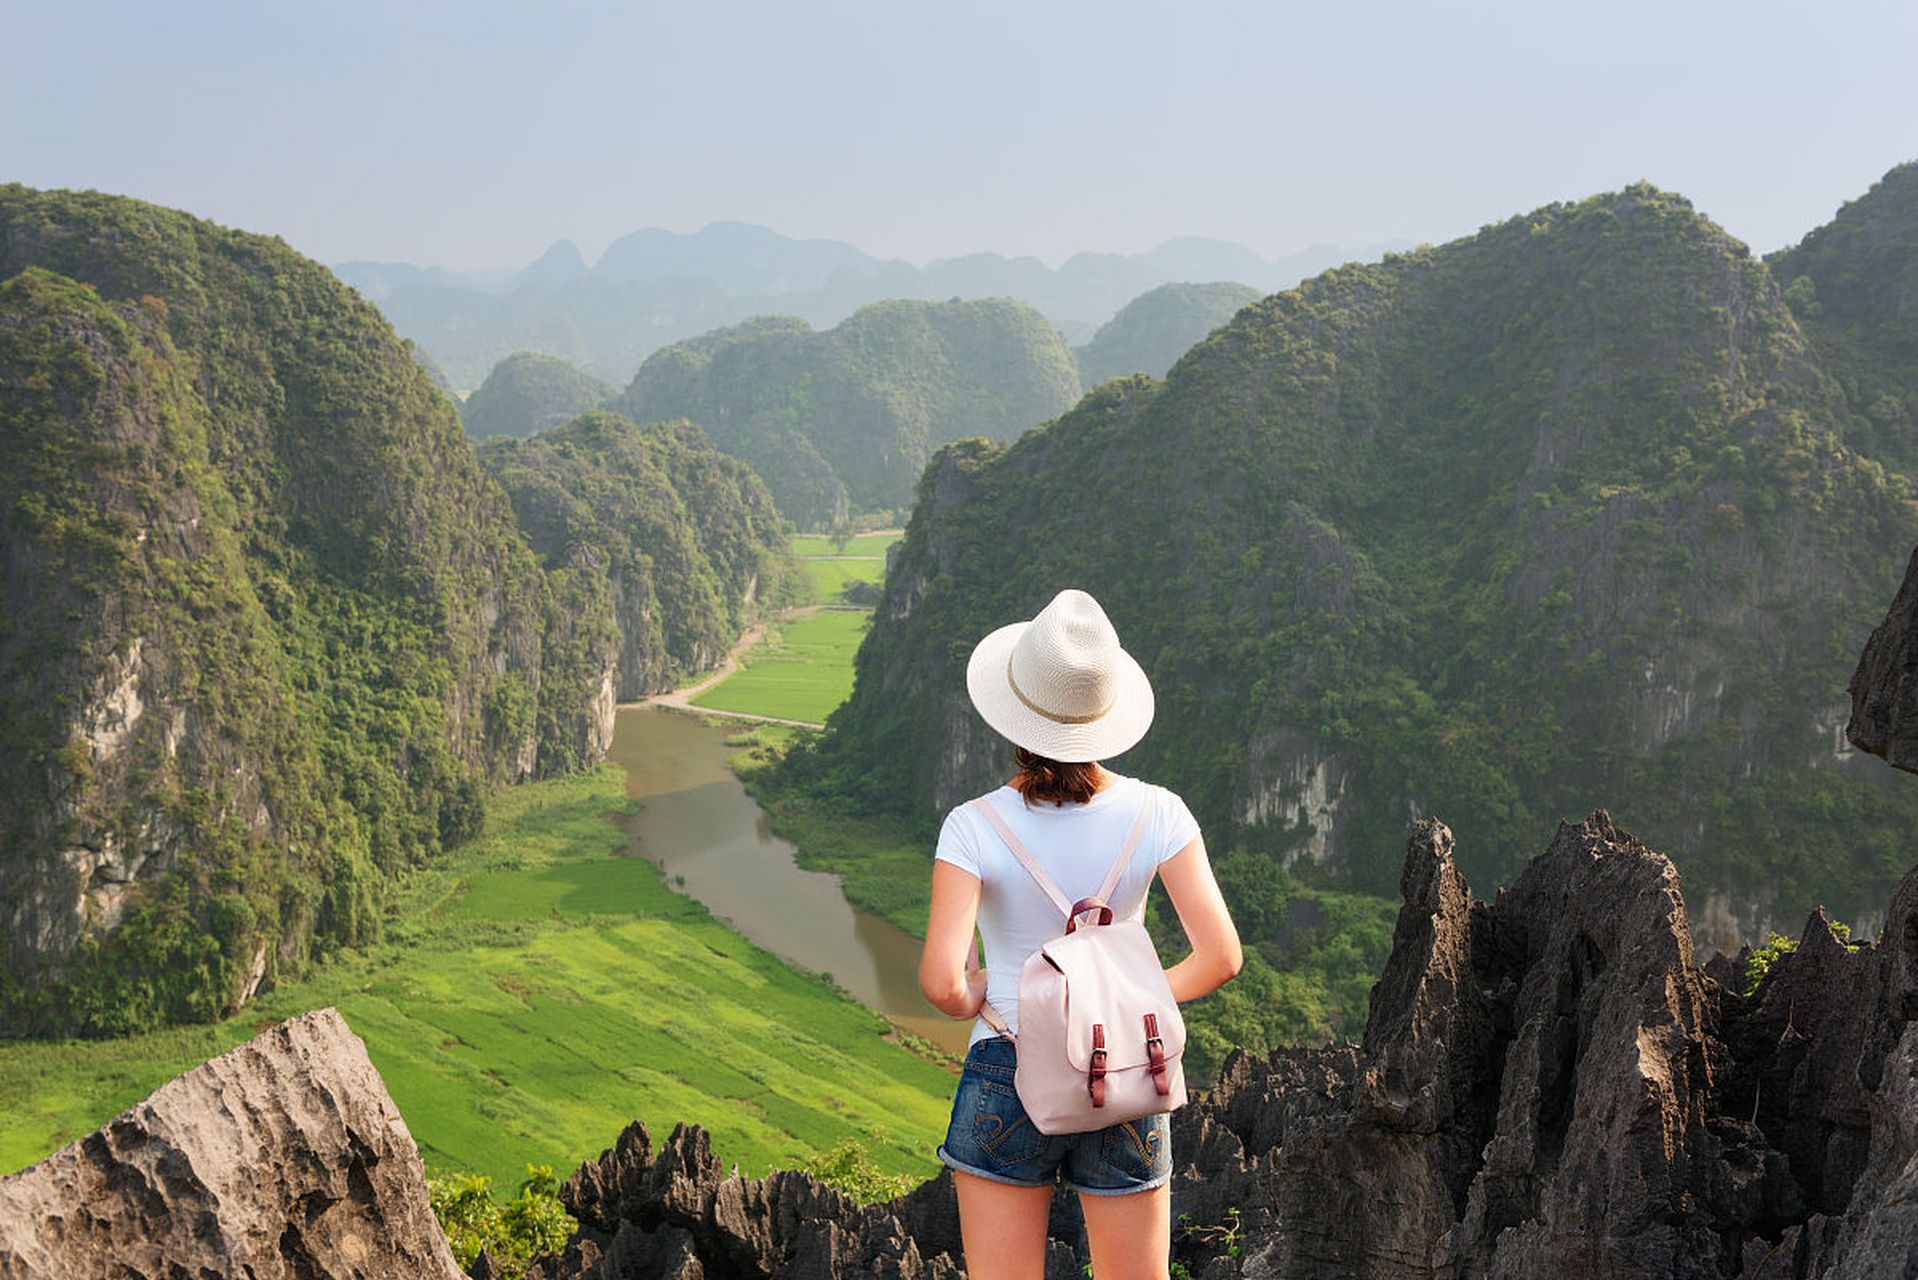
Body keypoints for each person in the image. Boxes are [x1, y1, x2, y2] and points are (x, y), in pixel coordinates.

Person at [918, 588, 1243, 1280]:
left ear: (1015, 711)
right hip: (1124, 1067)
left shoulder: (973, 825)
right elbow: (1221, 957)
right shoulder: (1161, 813)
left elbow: (943, 986)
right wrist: (1127, 1007)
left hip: (1005, 1063)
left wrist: (979, 987)